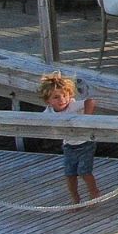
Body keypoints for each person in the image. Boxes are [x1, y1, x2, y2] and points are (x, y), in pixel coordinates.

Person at [39, 72, 101, 206]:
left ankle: (94, 192)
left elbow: (90, 101)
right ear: (48, 101)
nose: (62, 100)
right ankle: (75, 199)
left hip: (85, 143)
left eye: (65, 96)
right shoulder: (48, 112)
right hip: (68, 145)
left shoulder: (73, 105)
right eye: (56, 97)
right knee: (70, 174)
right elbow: (40, 121)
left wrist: (86, 119)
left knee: (84, 171)